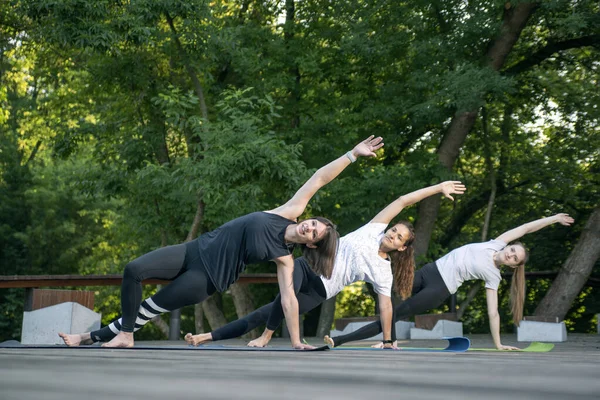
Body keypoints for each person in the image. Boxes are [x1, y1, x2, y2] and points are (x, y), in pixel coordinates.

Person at [58, 136, 384, 349]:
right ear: (308, 219)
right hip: (194, 250)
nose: (309, 230)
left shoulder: (284, 258)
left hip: (208, 278)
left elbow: (288, 301)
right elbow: (319, 178)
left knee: (146, 309)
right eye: (313, 225)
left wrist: (296, 341)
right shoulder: (289, 212)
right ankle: (118, 334)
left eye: (314, 235)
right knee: (133, 270)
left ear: (311, 245)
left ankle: (95, 337)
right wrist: (351, 155)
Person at [184, 181, 466, 348]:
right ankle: (265, 337)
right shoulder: (373, 228)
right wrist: (438, 188)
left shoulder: (383, 271)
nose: (392, 235)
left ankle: (206, 337)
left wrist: (389, 339)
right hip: (308, 267)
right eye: (394, 230)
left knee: (265, 312)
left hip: (321, 291)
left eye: (398, 237)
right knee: (284, 299)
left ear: (402, 247)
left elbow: (386, 307)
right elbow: (404, 200)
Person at [326, 213, 575, 350]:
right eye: (513, 251)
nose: (510, 255)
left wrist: (498, 344)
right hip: (428, 271)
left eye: (514, 259)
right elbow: (525, 228)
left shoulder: (493, 275)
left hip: (439, 288)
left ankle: (345, 340)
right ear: (508, 246)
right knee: (383, 287)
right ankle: (335, 281)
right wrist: (553, 219)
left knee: (394, 314)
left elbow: (493, 313)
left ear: (513, 265)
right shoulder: (495, 243)